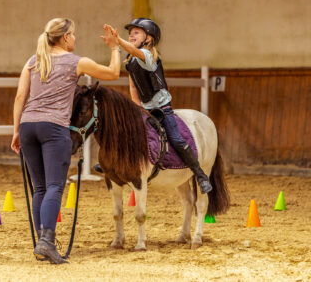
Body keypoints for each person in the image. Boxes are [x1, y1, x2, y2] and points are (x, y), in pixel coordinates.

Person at [11, 18, 120, 264]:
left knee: (39, 187)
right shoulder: (76, 62)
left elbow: (20, 96)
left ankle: (42, 241)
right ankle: (47, 242)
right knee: (54, 187)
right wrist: (115, 48)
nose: (75, 38)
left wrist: (16, 131)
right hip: (54, 128)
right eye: (74, 34)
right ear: (66, 37)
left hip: (28, 125)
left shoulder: (32, 61)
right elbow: (113, 73)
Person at [104, 18, 212, 194]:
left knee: (176, 139)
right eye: (130, 33)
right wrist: (138, 109)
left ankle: (200, 174)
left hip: (162, 108)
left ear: (148, 39)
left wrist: (118, 41)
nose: (131, 35)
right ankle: (113, 164)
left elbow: (131, 49)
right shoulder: (130, 60)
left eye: (136, 32)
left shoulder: (147, 56)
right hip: (144, 107)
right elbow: (133, 87)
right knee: (123, 132)